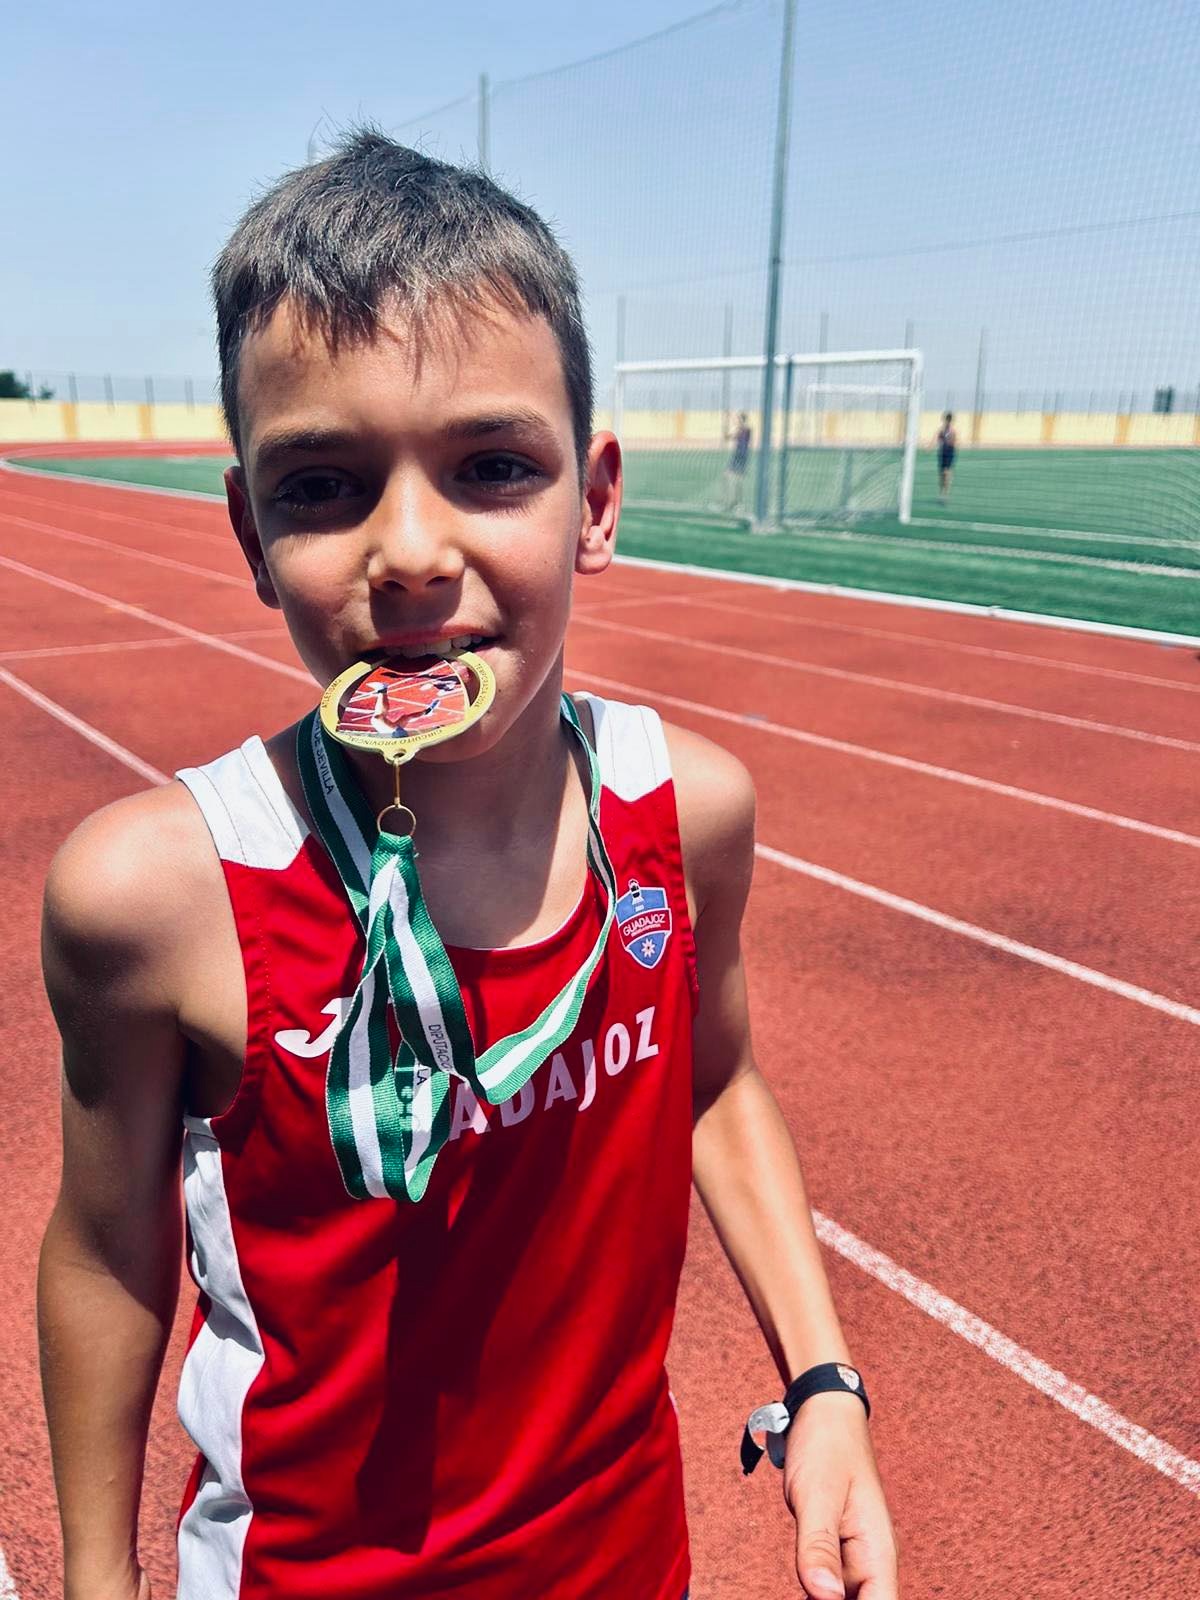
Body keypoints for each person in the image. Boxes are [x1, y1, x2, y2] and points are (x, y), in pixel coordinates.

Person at [37, 132, 898, 1600]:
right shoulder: (158, 896)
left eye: (494, 468)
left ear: (597, 500)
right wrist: (95, 1583)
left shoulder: (684, 813)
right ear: (248, 530)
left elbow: (715, 1080)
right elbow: (108, 1256)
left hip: (628, 1563)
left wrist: (824, 1385)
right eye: (324, 485)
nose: (413, 553)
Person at [721, 409, 753, 512]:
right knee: (727, 476)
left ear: (742, 420)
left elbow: (740, 430)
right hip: (736, 455)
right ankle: (730, 501)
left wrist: (729, 417)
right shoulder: (740, 430)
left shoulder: (747, 429)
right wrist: (726, 432)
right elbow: (728, 437)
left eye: (739, 419)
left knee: (739, 480)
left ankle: (738, 503)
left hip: (742, 456)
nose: (738, 421)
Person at [936, 411, 956, 504]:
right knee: (941, 475)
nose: (947, 421)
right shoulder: (941, 430)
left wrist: (949, 441)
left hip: (949, 452)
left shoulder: (953, 431)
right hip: (942, 452)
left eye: (949, 420)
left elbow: (954, 442)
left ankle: (946, 494)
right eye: (946, 419)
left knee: (946, 473)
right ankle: (941, 493)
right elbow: (938, 440)